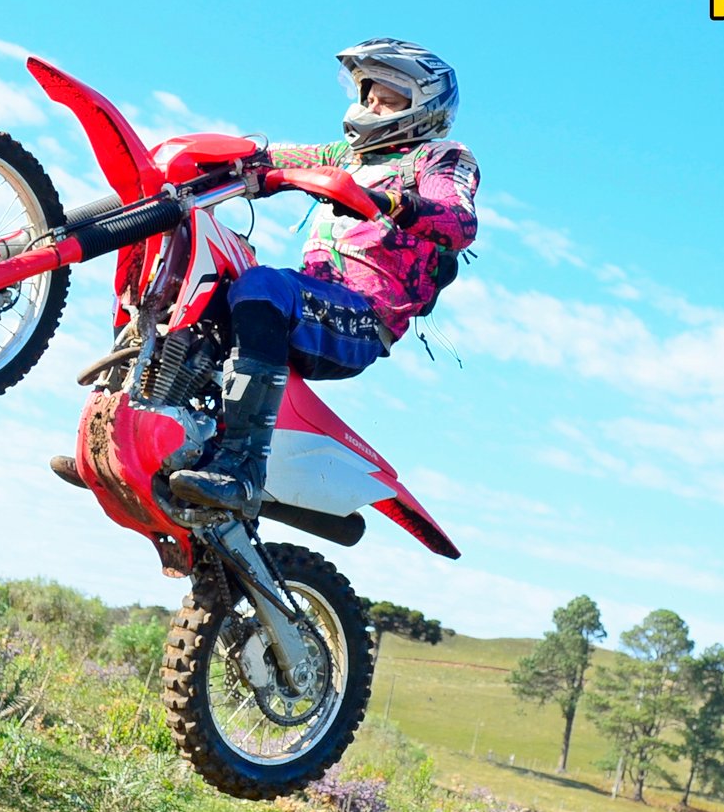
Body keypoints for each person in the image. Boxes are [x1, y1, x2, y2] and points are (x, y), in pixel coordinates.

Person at [51, 37, 479, 520]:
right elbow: (276, 159)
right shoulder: (345, 155)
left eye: (390, 98)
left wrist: (389, 202)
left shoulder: (441, 158)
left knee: (263, 285)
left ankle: (244, 469)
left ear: (424, 108)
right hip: (313, 298)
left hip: (363, 318)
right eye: (369, 94)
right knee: (202, 276)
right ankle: (131, 431)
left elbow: (459, 218)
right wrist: (223, 159)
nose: (373, 106)